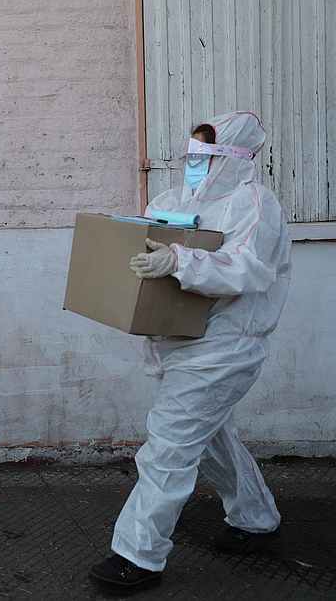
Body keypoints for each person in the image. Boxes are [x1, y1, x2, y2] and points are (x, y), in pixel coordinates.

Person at [89, 112, 292, 592]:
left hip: (226, 348)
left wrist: (179, 259)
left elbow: (248, 270)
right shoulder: (174, 199)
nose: (194, 165)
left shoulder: (254, 204)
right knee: (213, 440)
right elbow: (141, 235)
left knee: (169, 447)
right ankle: (256, 519)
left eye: (206, 157)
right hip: (177, 344)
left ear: (236, 159)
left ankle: (137, 556)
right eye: (192, 156)